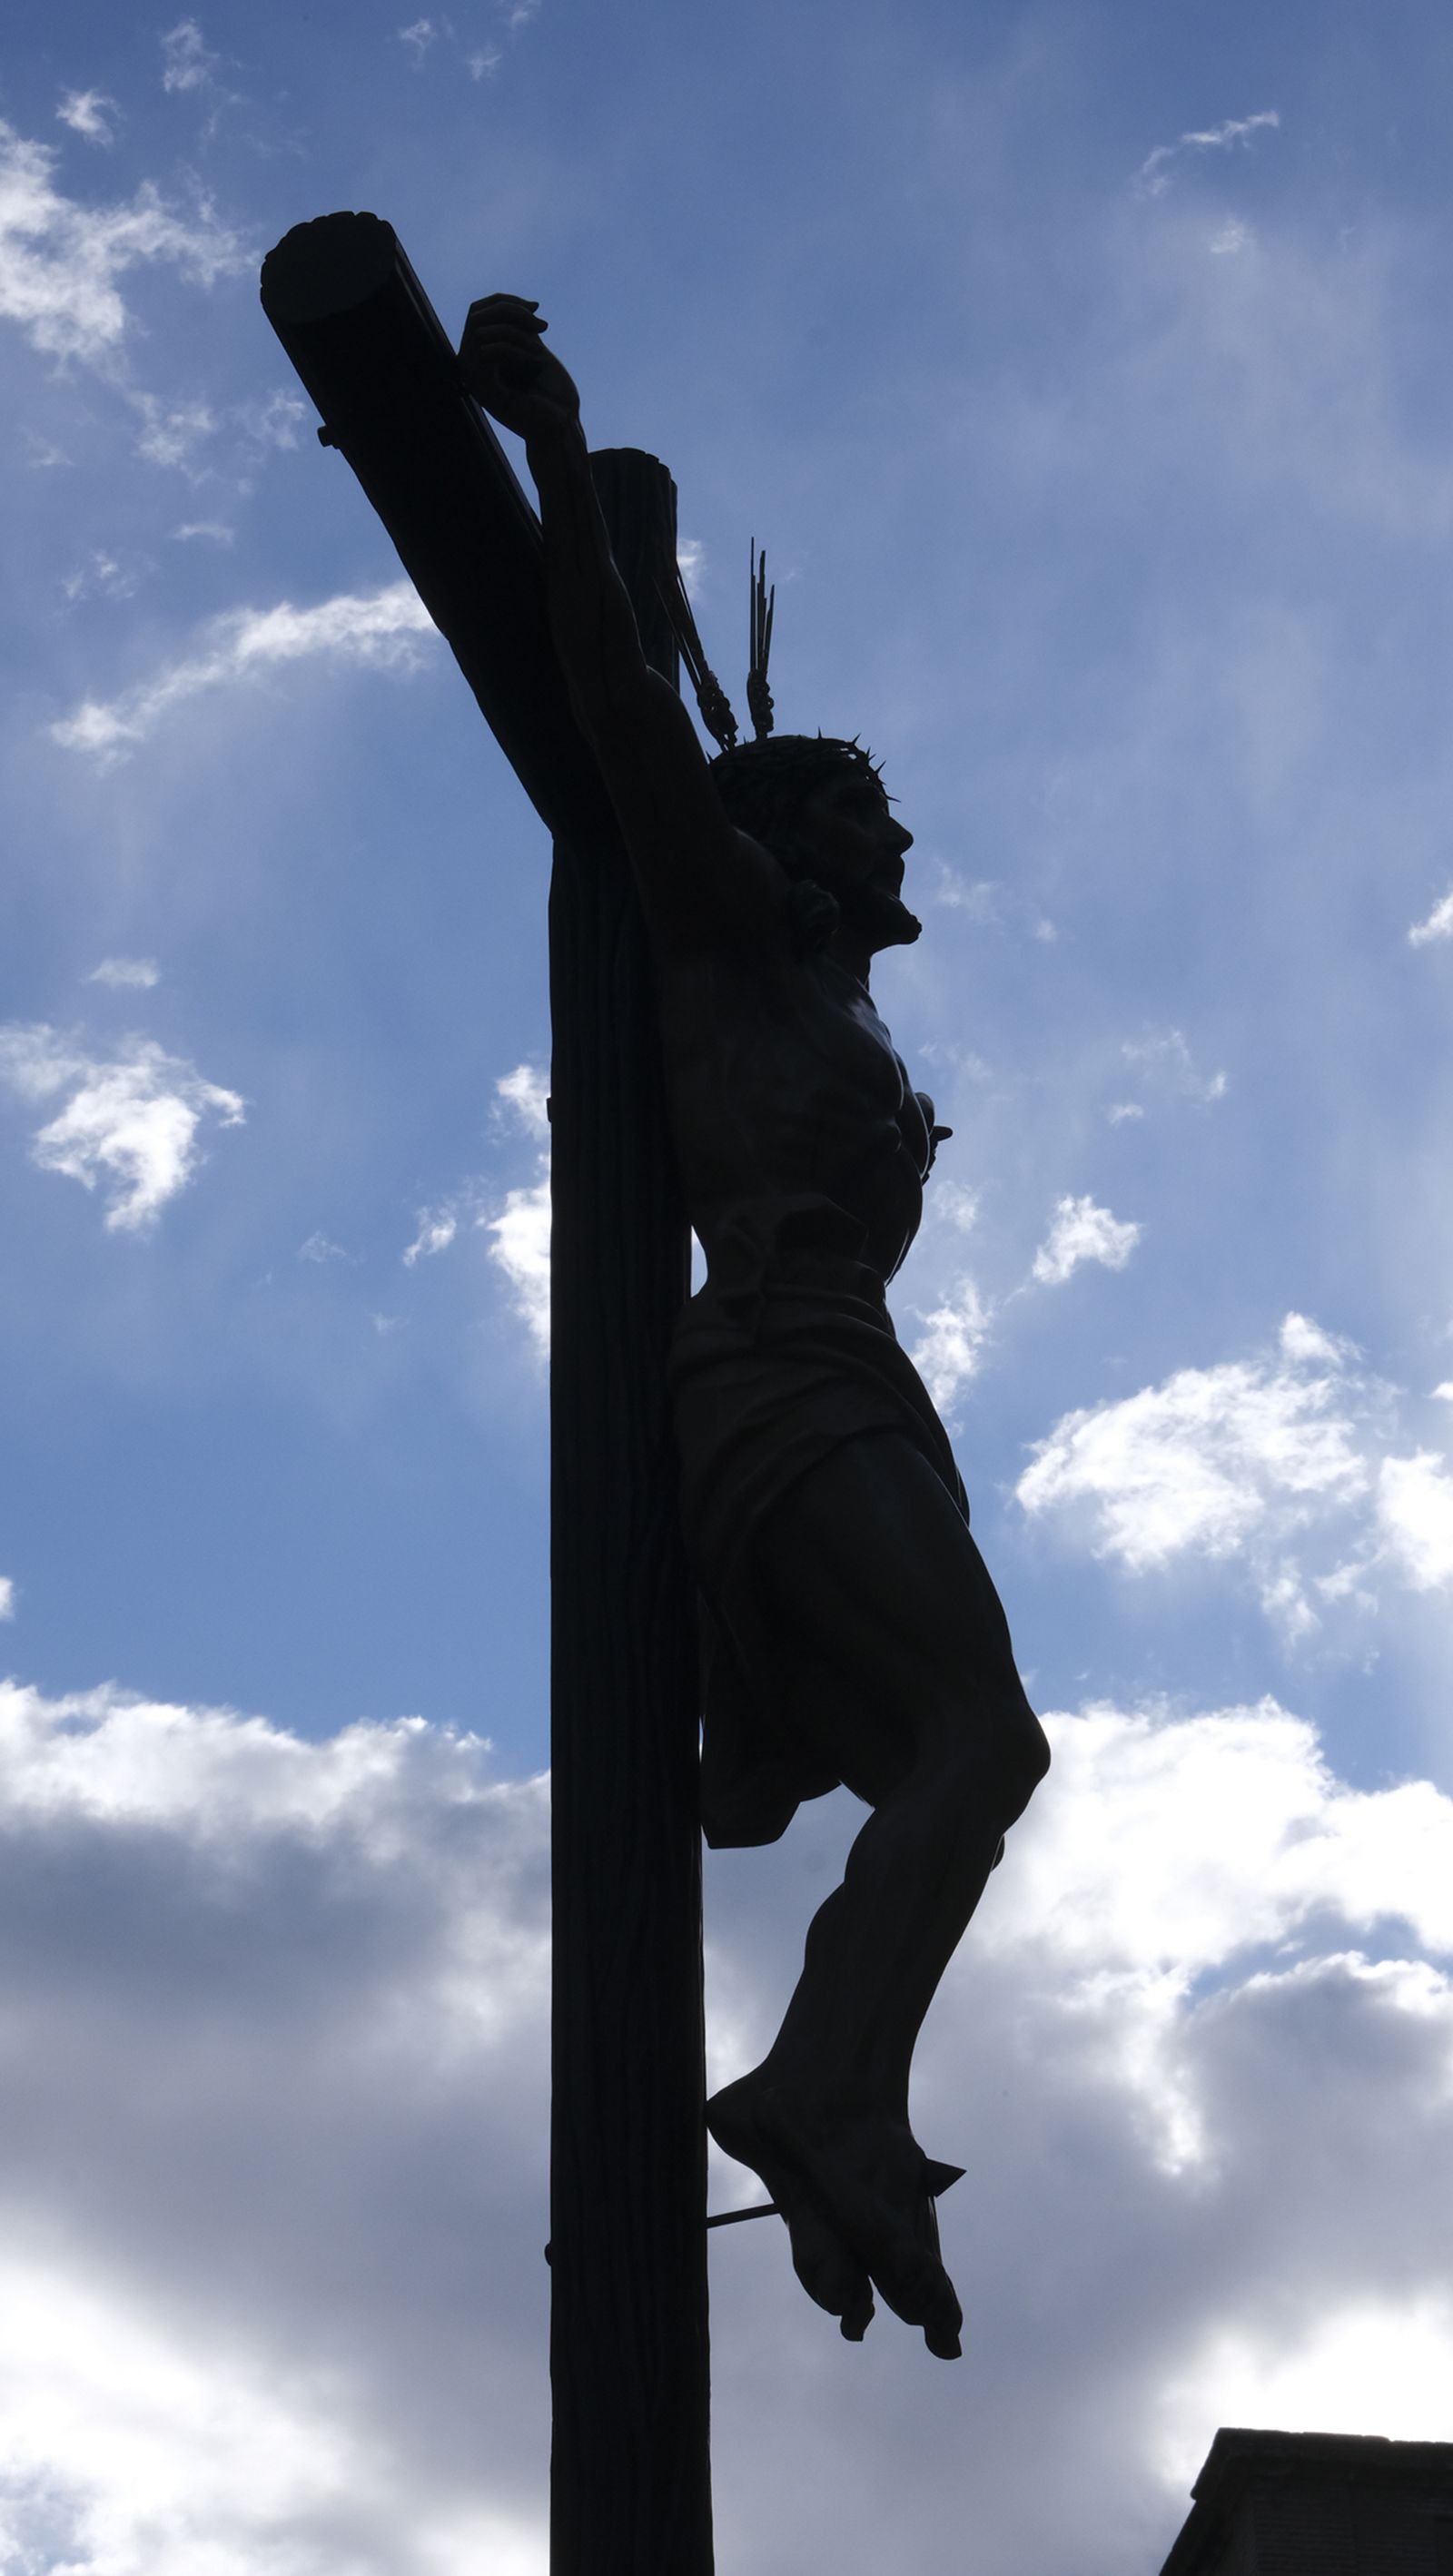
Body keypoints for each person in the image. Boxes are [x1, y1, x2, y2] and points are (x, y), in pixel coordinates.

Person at [460, 295, 1050, 2362]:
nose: (902, 835)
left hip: (848, 1370)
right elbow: (620, 701)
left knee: (965, 1753)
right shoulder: (722, 928)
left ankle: (834, 2084)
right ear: (795, 831)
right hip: (779, 1362)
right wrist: (555, 449)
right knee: (983, 1739)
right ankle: (821, 2090)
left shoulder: (843, 1004)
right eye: (867, 807)